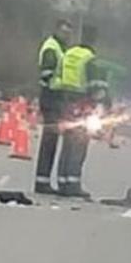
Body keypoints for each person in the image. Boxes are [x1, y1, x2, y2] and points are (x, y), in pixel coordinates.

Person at [51, 25, 109, 198]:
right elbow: (95, 87)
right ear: (93, 40)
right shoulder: (89, 59)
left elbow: (57, 77)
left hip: (65, 102)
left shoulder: (68, 54)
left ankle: (62, 182)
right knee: (79, 145)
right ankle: (73, 184)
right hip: (82, 104)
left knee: (67, 144)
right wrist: (102, 102)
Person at [33, 19, 74, 194]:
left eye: (68, 33)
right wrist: (65, 84)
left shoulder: (61, 48)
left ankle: (44, 180)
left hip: (57, 99)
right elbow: (47, 76)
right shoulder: (51, 48)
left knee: (52, 140)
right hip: (51, 98)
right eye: (64, 31)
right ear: (57, 30)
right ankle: (41, 182)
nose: (66, 35)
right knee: (49, 141)